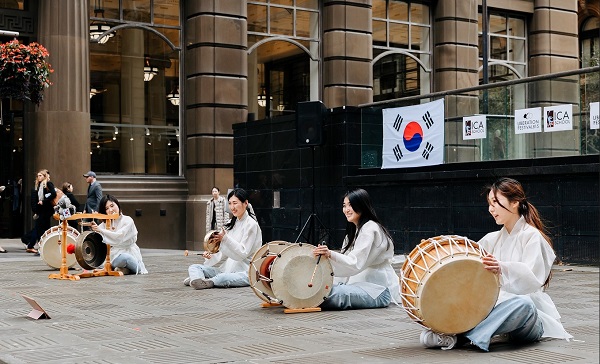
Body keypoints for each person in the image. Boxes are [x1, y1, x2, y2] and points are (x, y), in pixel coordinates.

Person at [420, 177, 572, 351]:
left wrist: (502, 267)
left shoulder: (532, 236)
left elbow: (532, 280)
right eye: (489, 203)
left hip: (529, 318)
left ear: (515, 202)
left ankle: (460, 335)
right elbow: (465, 258)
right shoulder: (492, 239)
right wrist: (436, 251)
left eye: (495, 202)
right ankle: (458, 331)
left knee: (524, 304)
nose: (491, 209)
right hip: (495, 306)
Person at [312, 188, 400, 310]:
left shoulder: (370, 228)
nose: (346, 210)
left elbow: (354, 263)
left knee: (330, 294)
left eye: (351, 205)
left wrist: (330, 254)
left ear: (362, 206)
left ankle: (307, 297)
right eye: (344, 206)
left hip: (378, 290)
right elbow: (346, 264)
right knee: (322, 288)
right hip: (360, 286)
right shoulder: (353, 233)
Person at [184, 188, 262, 290]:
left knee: (223, 278)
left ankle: (201, 280)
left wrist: (225, 239)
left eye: (235, 203)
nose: (232, 207)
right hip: (226, 269)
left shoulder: (251, 225)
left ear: (245, 203)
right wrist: (211, 255)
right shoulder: (231, 223)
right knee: (194, 267)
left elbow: (242, 253)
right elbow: (224, 252)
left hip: (245, 271)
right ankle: (199, 279)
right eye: (230, 203)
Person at [90, 194, 147, 275]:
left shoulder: (128, 220)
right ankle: (122, 269)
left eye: (112, 206)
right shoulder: (103, 225)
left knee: (125, 258)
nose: (110, 210)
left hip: (128, 253)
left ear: (117, 204)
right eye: (107, 208)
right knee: (99, 262)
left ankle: (123, 268)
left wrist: (100, 230)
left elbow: (119, 236)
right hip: (114, 255)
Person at [26, 170, 56, 254]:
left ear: (44, 176)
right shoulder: (39, 185)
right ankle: (40, 246)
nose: (38, 177)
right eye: (38, 176)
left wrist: (44, 201)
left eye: (40, 175)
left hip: (46, 210)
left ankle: (35, 246)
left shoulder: (48, 184)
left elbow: (53, 194)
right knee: (41, 228)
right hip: (41, 210)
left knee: (40, 228)